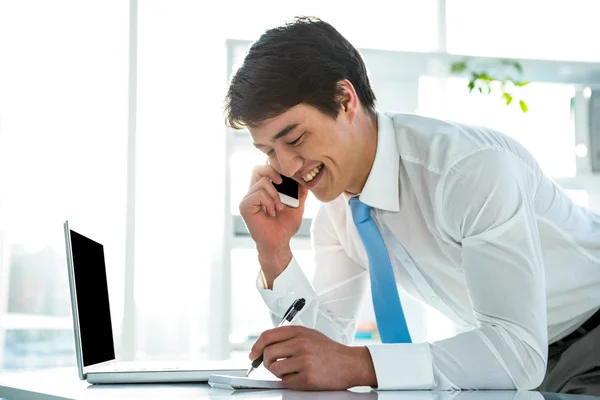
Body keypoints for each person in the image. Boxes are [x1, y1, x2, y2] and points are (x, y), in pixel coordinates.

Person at [224, 16, 600, 394]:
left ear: (345, 101)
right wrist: (274, 253)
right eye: (269, 151)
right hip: (510, 366)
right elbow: (320, 352)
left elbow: (518, 354)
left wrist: (358, 364)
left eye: (295, 138)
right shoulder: (338, 217)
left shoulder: (467, 171)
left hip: (590, 337)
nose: (285, 166)